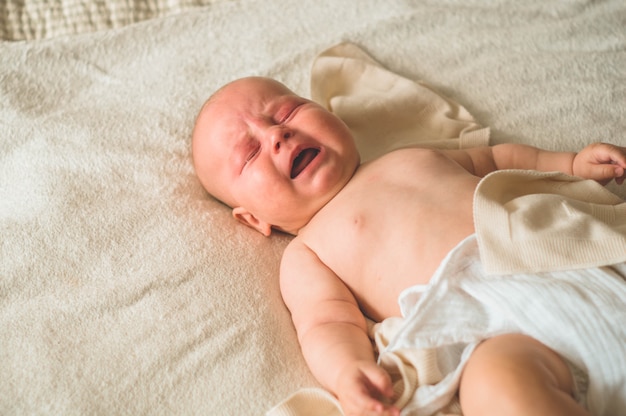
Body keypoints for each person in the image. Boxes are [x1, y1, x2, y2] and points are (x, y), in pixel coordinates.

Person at [191, 76, 626, 416]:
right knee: (494, 386)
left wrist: (569, 164)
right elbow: (326, 323)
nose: (276, 135)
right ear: (253, 219)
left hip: (561, 256)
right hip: (495, 331)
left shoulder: (410, 156)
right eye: (249, 154)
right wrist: (347, 375)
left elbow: (493, 159)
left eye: (288, 112)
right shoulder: (307, 253)